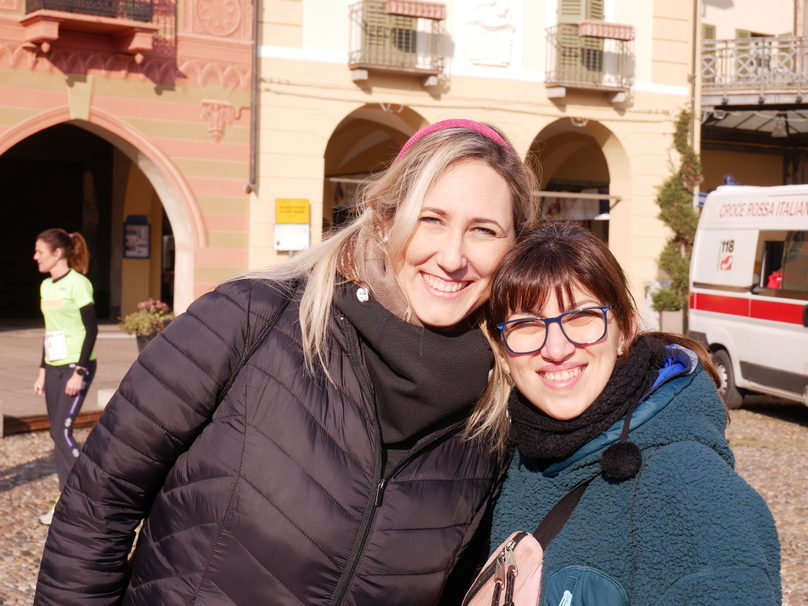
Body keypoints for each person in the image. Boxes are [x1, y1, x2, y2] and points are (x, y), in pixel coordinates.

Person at [35, 119, 542, 606]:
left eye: (484, 230)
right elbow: (96, 505)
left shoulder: (492, 416)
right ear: (387, 219)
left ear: (515, 249)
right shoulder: (250, 318)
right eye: (431, 219)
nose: (452, 257)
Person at [483, 223, 781, 606]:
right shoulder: (517, 457)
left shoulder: (685, 484)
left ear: (624, 331)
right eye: (526, 324)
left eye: (582, 317)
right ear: (503, 350)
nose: (556, 349)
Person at [32, 229, 98, 526]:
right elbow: (51, 331)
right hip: (53, 366)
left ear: (57, 253)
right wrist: (42, 370)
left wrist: (79, 371)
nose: (35, 257)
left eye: (40, 252)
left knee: (62, 432)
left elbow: (92, 329)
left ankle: (92, 490)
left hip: (75, 366)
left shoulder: (79, 283)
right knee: (55, 433)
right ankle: (64, 499)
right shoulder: (46, 286)